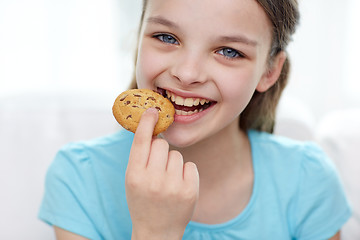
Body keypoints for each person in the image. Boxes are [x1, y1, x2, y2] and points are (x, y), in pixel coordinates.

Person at [38, 0, 352, 239]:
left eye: (229, 51)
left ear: (269, 71)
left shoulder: (308, 181)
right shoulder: (80, 178)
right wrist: (154, 231)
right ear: (138, 40)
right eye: (166, 36)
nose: (186, 74)